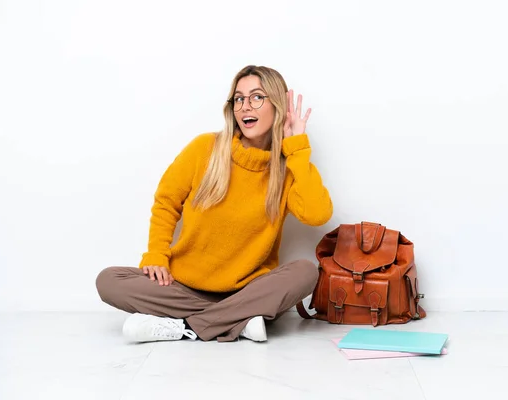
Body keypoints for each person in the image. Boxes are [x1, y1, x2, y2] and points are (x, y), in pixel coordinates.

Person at [95, 65, 333, 343]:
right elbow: (166, 202)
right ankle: (237, 321)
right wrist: (157, 255)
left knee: (305, 272)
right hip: (182, 287)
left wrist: (298, 148)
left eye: (257, 97)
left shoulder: (287, 168)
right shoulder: (205, 148)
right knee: (109, 280)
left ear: (277, 106)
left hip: (247, 291)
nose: (245, 106)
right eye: (239, 99)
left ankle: (185, 327)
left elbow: (318, 214)